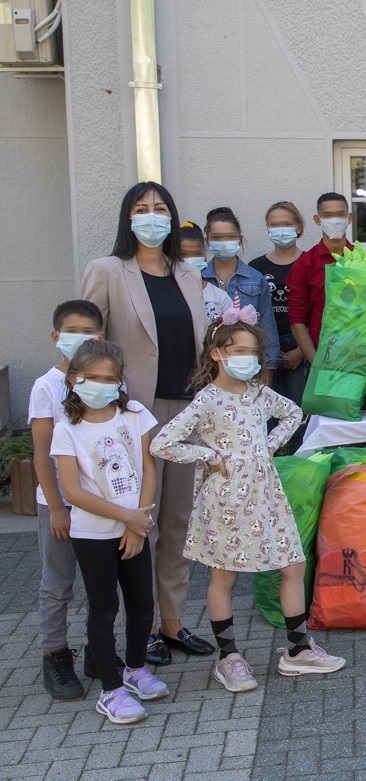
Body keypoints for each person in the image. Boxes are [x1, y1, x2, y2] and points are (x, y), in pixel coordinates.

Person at [151, 309, 346, 689]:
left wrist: (268, 446)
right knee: (224, 575)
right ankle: (230, 657)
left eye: (253, 351)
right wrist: (209, 456)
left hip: (266, 494)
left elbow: (292, 413)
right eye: (237, 350)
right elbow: (164, 442)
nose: (247, 358)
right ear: (216, 354)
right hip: (225, 499)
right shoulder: (207, 400)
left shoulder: (258, 392)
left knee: (292, 564)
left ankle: (298, 648)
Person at [81, 182, 215, 666]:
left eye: (160, 209)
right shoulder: (108, 271)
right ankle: (141, 626)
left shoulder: (187, 273)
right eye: (142, 209)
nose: (152, 217)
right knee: (142, 520)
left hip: (187, 411)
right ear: (127, 218)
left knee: (179, 521)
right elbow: (87, 345)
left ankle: (173, 623)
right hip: (133, 414)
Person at [50, 340, 168, 725]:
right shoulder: (67, 429)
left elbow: (149, 469)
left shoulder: (135, 414)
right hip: (93, 535)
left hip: (136, 526)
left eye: (110, 379)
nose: (102, 385)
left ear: (120, 382)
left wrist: (140, 522)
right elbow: (72, 491)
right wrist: (127, 518)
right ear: (74, 379)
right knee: (103, 610)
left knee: (142, 605)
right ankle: (111, 690)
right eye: (93, 378)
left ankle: (136, 669)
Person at [29, 300, 104, 699]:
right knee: (58, 583)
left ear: (102, 337)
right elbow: (42, 452)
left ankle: (99, 651)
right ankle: (55, 656)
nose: (83, 339)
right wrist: (57, 506)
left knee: (100, 584)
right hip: (59, 504)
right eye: (73, 331)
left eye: (90, 331)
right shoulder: (46, 386)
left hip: (101, 503)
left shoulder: (110, 381)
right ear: (57, 337)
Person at [248, 201, 308, 414]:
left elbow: (321, 312)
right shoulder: (255, 267)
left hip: (301, 346)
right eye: (274, 225)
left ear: (299, 227)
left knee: (297, 412)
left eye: (286, 223)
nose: (280, 229)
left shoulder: (308, 263)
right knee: (267, 413)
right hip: (265, 346)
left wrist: (301, 351)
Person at [203, 208, 280, 369]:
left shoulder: (257, 279)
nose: (224, 242)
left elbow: (267, 329)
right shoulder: (198, 278)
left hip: (247, 364)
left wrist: (268, 369)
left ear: (240, 239)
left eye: (230, 237)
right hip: (206, 364)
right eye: (217, 237)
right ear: (207, 240)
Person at [287, 192, 353, 365]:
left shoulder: (362, 259)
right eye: (328, 216)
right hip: (320, 355)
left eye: (340, 214)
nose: (335, 220)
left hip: (359, 356)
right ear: (317, 220)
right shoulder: (305, 264)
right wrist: (315, 363)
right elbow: (297, 319)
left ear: (349, 218)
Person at [177, 223, 234, 322]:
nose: (191, 260)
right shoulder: (165, 294)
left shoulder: (220, 297)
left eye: (197, 254)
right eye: (184, 254)